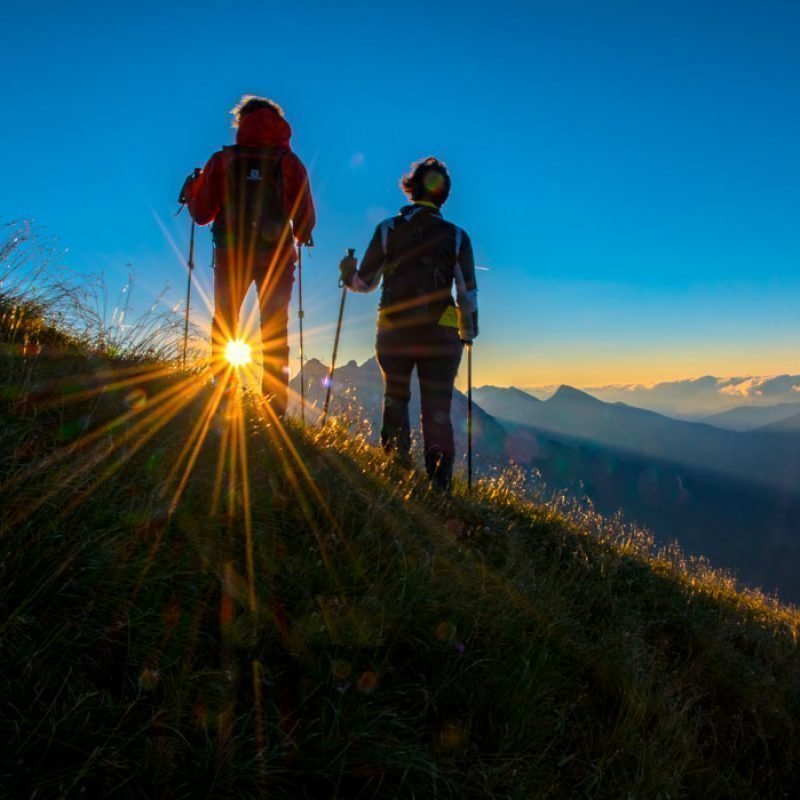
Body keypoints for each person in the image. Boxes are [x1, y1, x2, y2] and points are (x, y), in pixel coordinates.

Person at [339, 157, 478, 491]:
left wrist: (347, 272)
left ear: (410, 188)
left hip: (394, 327)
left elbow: (364, 282)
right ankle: (440, 485)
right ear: (444, 195)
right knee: (438, 408)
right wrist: (467, 332)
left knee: (395, 397)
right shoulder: (457, 236)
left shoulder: (389, 229)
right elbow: (467, 293)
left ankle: (396, 471)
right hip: (441, 333)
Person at [181, 95, 315, 417]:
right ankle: (275, 409)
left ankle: (224, 392)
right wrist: (297, 234)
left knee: (225, 321)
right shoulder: (289, 163)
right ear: (279, 124)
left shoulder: (223, 160)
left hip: (231, 253)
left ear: (241, 122)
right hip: (277, 258)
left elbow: (202, 215)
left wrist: (191, 192)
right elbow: (306, 222)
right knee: (274, 328)